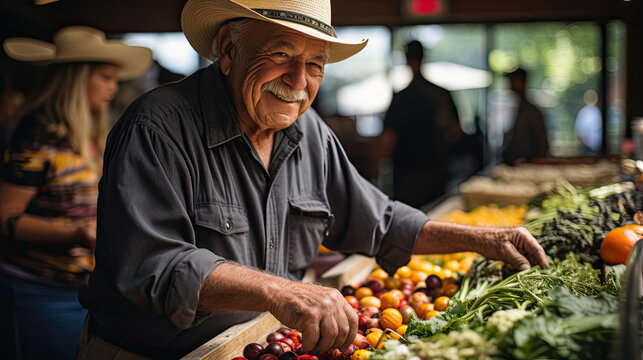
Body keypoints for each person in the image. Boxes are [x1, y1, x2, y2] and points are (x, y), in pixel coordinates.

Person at [78, 1, 548, 359]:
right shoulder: (157, 127)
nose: (299, 80)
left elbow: (379, 220)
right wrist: (283, 290)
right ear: (228, 50)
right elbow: (154, 266)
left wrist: (481, 238)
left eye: (316, 63)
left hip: (257, 345)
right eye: (280, 53)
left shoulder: (308, 133)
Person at [0, 26, 152, 360]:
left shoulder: (94, 135)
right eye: (104, 77)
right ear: (75, 78)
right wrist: (76, 232)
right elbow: (6, 216)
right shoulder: (38, 134)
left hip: (81, 290)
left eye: (115, 78)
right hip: (38, 290)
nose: (113, 87)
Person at [380, 40, 463, 208]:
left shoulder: (401, 98)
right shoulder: (441, 95)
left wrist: (373, 169)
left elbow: (388, 139)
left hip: (406, 175)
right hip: (438, 172)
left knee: (407, 226)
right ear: (424, 57)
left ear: (406, 59)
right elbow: (457, 131)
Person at [502, 68, 549, 165]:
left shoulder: (531, 112)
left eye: (513, 80)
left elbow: (542, 146)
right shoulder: (519, 109)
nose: (510, 85)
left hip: (527, 166)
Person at [574, 89, 602, 154]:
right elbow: (581, 133)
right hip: (589, 150)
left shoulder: (598, 111)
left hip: (598, 150)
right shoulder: (584, 113)